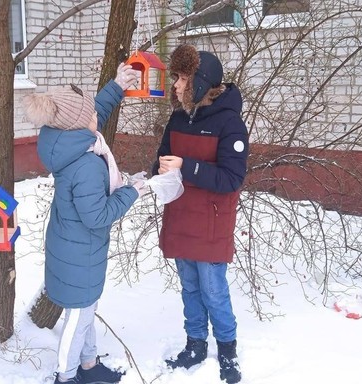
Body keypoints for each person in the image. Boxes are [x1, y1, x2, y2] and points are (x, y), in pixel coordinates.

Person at [23, 64, 145, 384]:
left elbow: (93, 113)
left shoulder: (66, 142)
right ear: (81, 124)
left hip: (71, 246)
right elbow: (99, 216)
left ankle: (88, 366)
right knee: (79, 318)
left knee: (85, 311)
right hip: (81, 252)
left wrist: (116, 85)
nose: (97, 115)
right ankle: (66, 377)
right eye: (91, 112)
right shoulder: (88, 165)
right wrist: (132, 191)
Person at [153, 45, 248, 384]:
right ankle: (195, 344)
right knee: (190, 289)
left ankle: (227, 350)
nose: (175, 85)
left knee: (213, 291)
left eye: (181, 78)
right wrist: (160, 168)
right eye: (176, 77)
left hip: (210, 224)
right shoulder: (178, 118)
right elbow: (163, 157)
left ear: (199, 82)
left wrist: (186, 166)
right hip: (179, 217)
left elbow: (231, 179)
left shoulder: (229, 123)